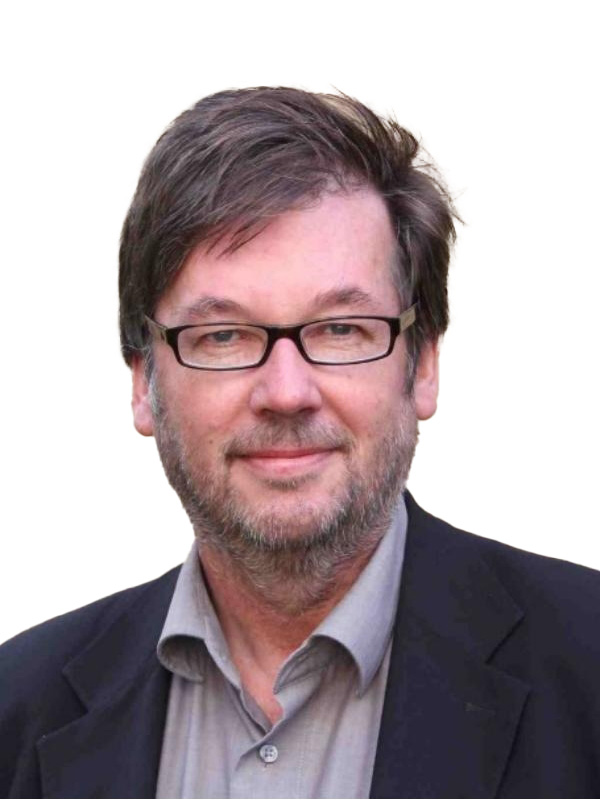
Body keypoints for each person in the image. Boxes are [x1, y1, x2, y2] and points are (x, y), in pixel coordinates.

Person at [1, 86, 599, 800]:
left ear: (423, 367)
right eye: (223, 336)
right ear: (142, 382)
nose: (286, 392)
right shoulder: (18, 710)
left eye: (341, 329)